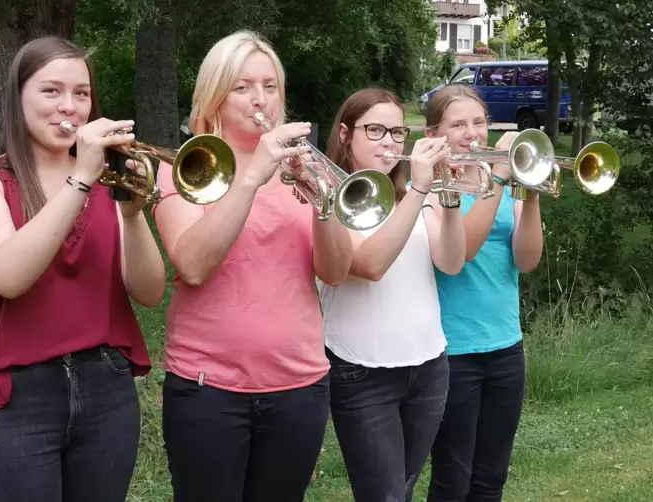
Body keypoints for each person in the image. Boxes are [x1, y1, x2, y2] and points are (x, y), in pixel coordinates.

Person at [0, 36, 167, 502]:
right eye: (51, 91)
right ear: (18, 96)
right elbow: (9, 276)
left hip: (107, 387)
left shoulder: (108, 183)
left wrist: (132, 215)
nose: (68, 106)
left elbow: (151, 292)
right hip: (16, 396)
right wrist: (82, 177)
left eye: (81, 93)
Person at [151, 30, 354, 502]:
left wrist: (321, 200)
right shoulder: (186, 166)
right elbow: (193, 264)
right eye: (242, 87)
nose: (259, 99)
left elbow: (336, 271)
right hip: (208, 389)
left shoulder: (301, 166)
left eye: (270, 86)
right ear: (215, 96)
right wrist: (252, 179)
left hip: (299, 384)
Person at [315, 87, 466, 502]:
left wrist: (446, 196)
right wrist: (419, 192)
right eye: (376, 130)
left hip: (430, 364)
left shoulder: (416, 193)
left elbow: (451, 262)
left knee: (402, 489)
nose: (389, 143)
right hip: (362, 371)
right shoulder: (329, 195)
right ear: (346, 134)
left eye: (398, 133)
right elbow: (369, 266)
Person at [423, 85, 544, 502]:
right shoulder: (434, 189)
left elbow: (526, 260)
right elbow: (466, 251)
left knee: (491, 478)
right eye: (458, 124)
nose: (472, 133)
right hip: (452, 350)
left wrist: (530, 192)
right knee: (452, 479)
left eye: (479, 123)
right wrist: (501, 178)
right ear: (432, 134)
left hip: (506, 346)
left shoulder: (506, 183)